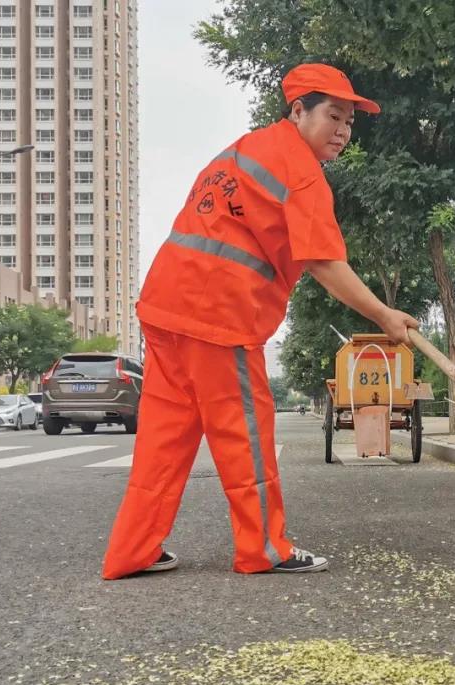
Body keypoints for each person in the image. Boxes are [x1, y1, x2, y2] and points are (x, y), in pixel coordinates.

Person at [102, 64, 420, 579]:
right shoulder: (300, 170)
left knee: (164, 437)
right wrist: (383, 314)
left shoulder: (243, 150)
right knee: (244, 435)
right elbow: (324, 262)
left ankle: (131, 551)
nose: (342, 130)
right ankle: (263, 549)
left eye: (349, 122)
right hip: (219, 316)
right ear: (298, 110)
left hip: (165, 307)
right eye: (333, 116)